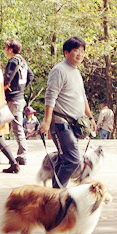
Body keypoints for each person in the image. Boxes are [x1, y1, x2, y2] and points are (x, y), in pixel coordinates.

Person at [39, 36, 96, 188]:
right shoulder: (59, 70)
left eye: (82, 51)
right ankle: (58, 193)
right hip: (61, 122)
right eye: (76, 51)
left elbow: (82, 97)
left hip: (75, 123)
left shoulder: (76, 72)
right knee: (73, 159)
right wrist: (47, 120)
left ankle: (55, 194)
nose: (80, 54)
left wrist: (90, 118)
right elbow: (50, 96)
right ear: (66, 53)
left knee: (66, 159)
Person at [3, 39, 35, 165]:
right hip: (20, 98)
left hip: (12, 98)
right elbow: (31, 76)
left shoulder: (13, 61)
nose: (4, 50)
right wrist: (21, 88)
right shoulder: (23, 61)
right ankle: (22, 155)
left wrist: (10, 89)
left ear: (10, 49)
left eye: (5, 48)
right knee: (18, 127)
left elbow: (6, 79)